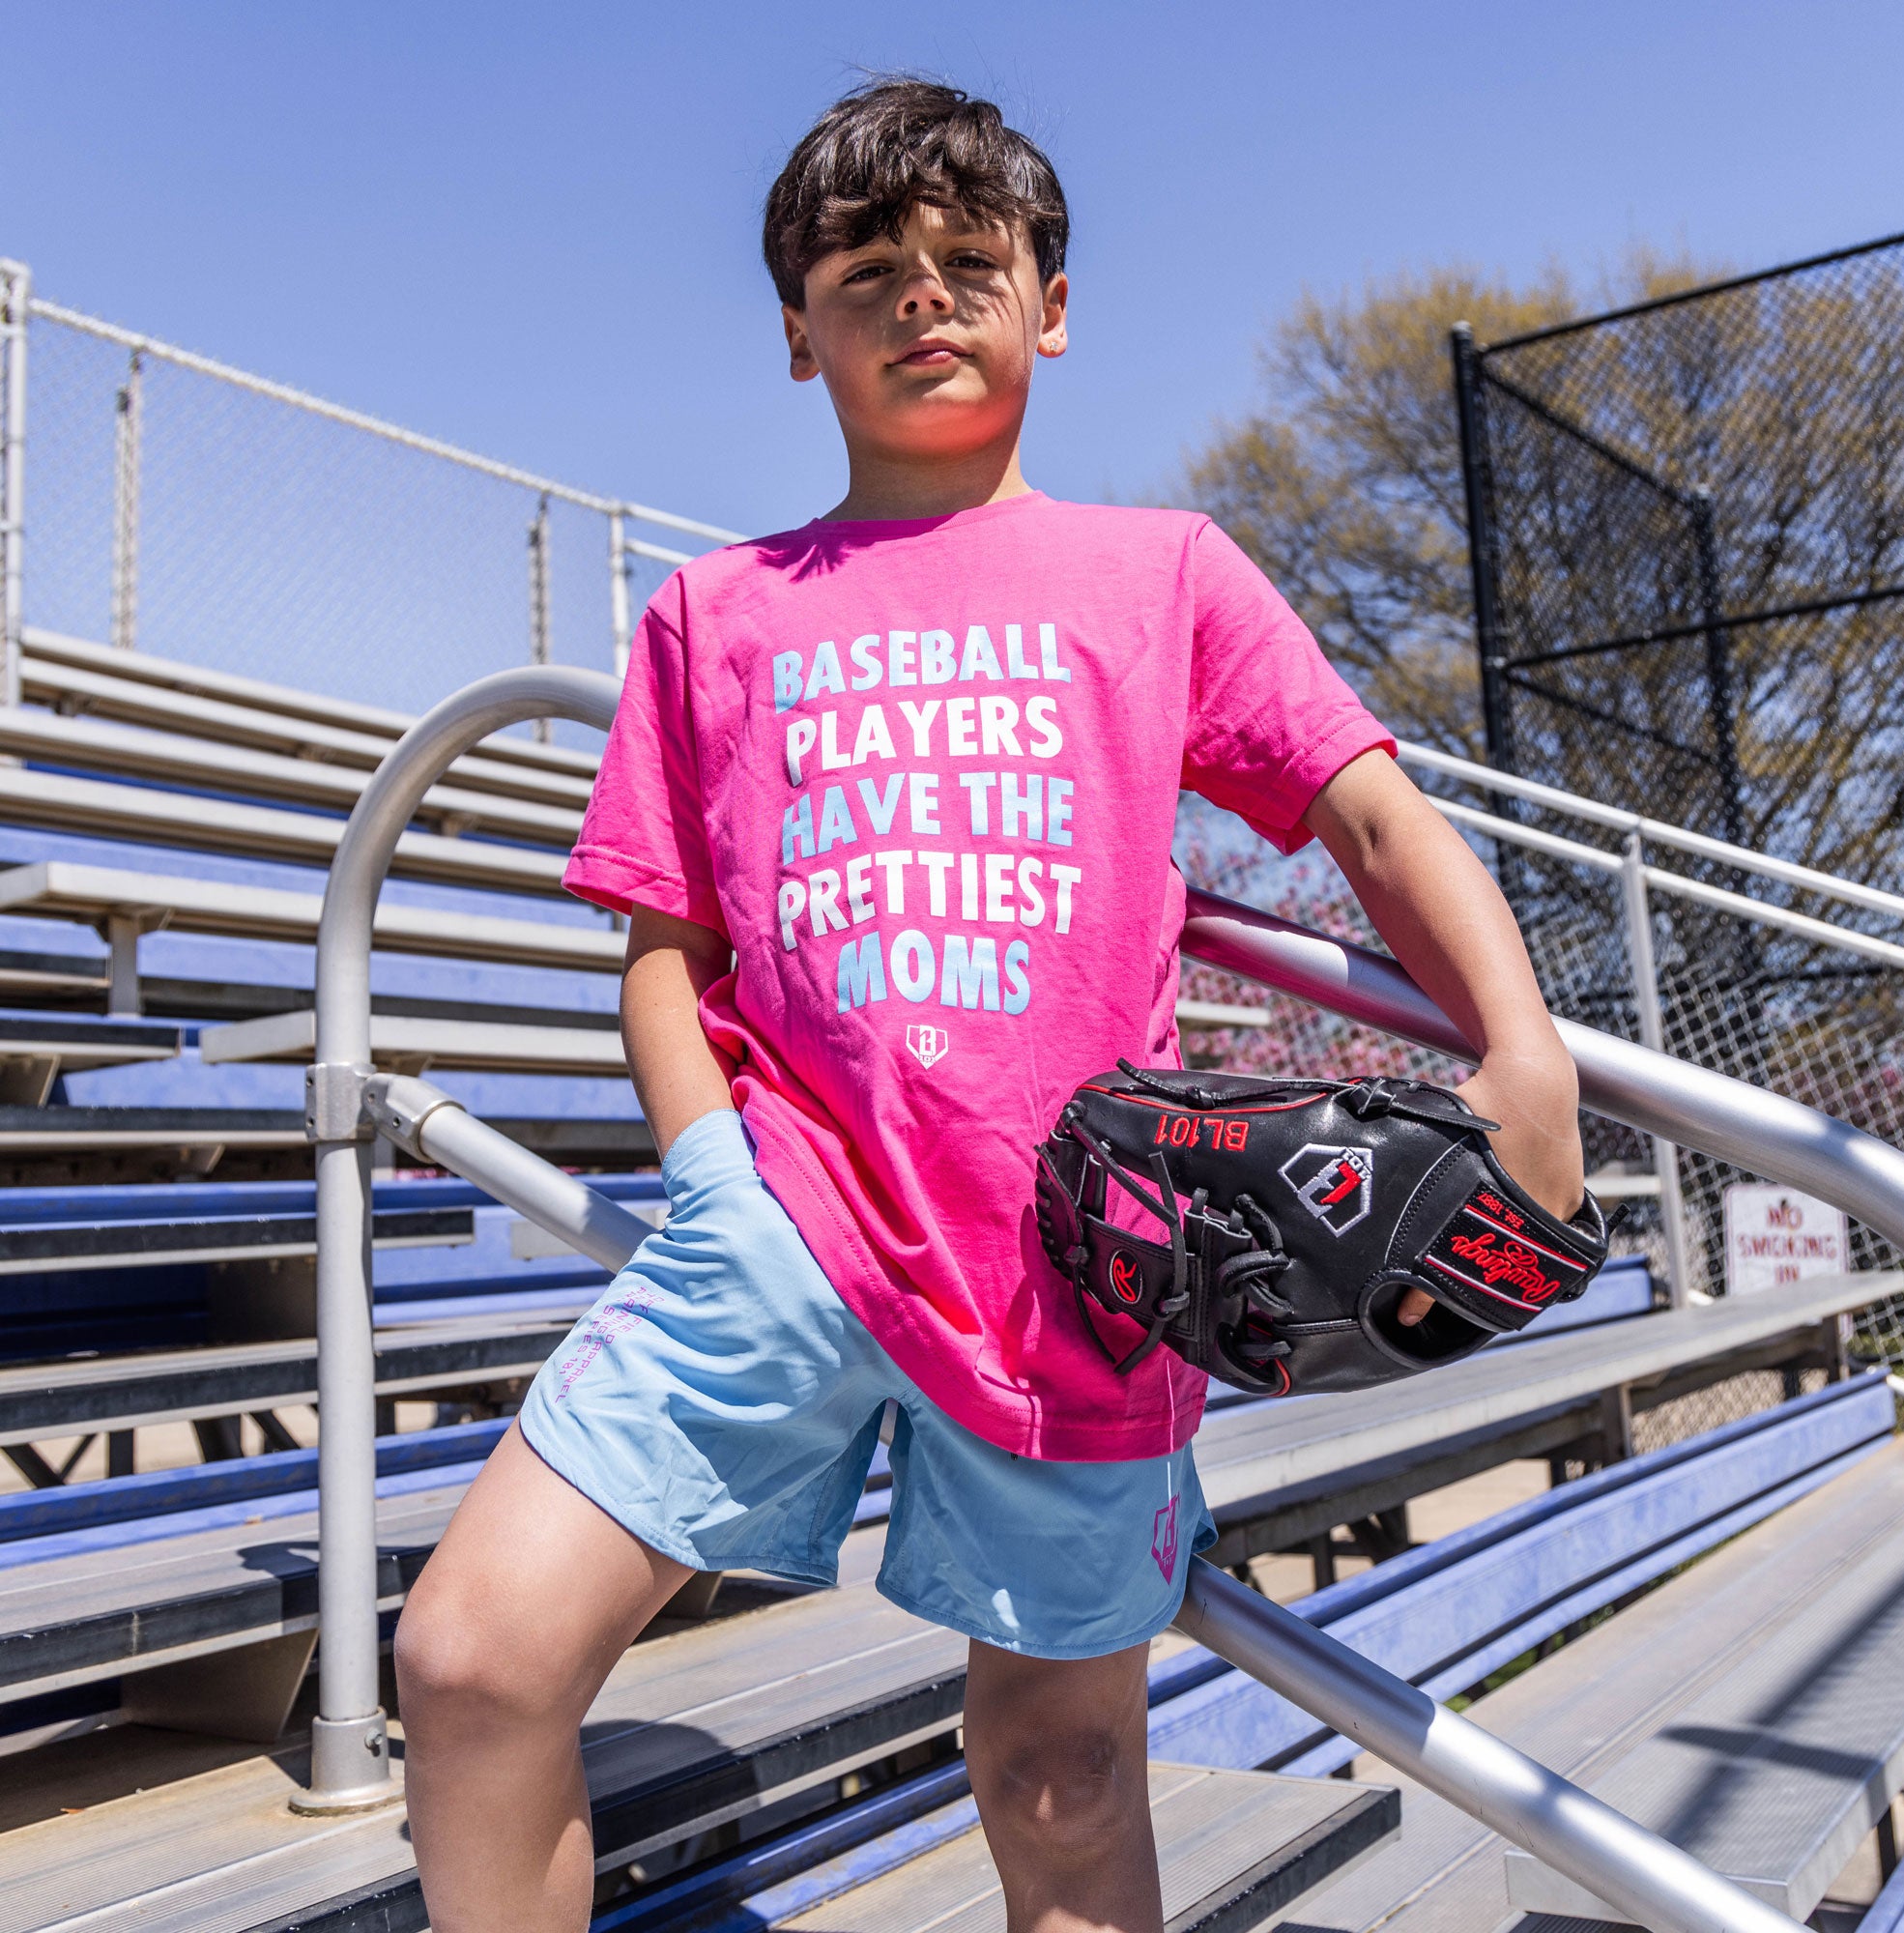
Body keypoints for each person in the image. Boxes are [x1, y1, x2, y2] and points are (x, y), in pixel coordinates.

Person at [394, 76, 1586, 1933]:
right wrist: (713, 1178)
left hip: (1072, 1262)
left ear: (1050, 299)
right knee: (473, 1660)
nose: (924, 299)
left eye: (973, 261)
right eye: (868, 270)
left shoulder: (1163, 572)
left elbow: (1365, 808)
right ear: (799, 329)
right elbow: (661, 943)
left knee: (1059, 1771)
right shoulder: (716, 613)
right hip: (779, 1227)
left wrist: (1522, 1053)